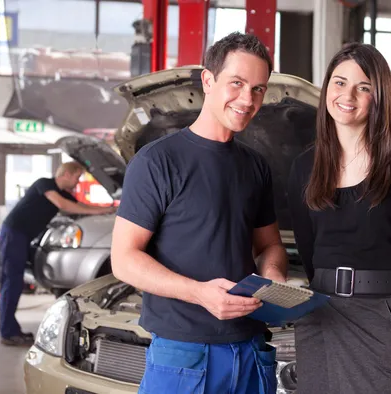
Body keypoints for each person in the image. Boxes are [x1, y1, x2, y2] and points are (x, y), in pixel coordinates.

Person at [111, 32, 288, 394]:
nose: (247, 99)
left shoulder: (256, 167)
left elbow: (270, 245)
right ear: (208, 80)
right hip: (184, 356)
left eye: (258, 89)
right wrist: (200, 293)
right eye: (236, 83)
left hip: (251, 349)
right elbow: (124, 259)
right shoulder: (157, 161)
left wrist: (274, 280)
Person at [287, 42, 391, 394]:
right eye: (339, 82)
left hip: (386, 315)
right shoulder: (303, 168)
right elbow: (308, 252)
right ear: (327, 87)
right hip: (322, 316)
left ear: (380, 96)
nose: (348, 95)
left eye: (364, 87)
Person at [0, 161, 115, 346]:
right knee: (11, 282)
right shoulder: (44, 184)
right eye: (77, 177)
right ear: (67, 173)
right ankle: (8, 333)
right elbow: (64, 205)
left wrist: (107, 210)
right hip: (14, 233)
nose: (77, 182)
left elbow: (81, 207)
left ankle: (11, 330)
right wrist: (105, 210)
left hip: (23, 237)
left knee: (14, 281)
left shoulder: (62, 193)